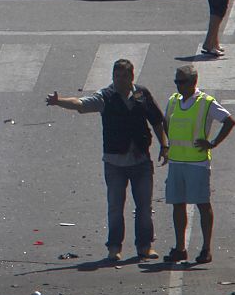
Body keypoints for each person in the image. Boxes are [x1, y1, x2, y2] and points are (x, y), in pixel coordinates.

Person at [46, 59, 168, 261]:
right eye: (116, 76)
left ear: (132, 77)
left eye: (124, 76)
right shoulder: (106, 96)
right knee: (115, 208)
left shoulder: (141, 94)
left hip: (141, 162)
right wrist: (59, 101)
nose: (119, 80)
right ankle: (114, 248)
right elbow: (81, 104)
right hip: (114, 164)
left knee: (144, 208)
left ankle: (145, 246)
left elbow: (156, 120)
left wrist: (164, 145)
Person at [162, 65, 235, 263]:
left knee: (203, 204)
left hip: (197, 163)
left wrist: (213, 143)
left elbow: (229, 121)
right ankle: (180, 248)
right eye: (176, 81)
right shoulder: (173, 101)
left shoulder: (206, 102)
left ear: (193, 82)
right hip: (176, 161)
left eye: (182, 82)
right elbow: (166, 123)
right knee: (178, 204)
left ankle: (206, 249)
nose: (178, 85)